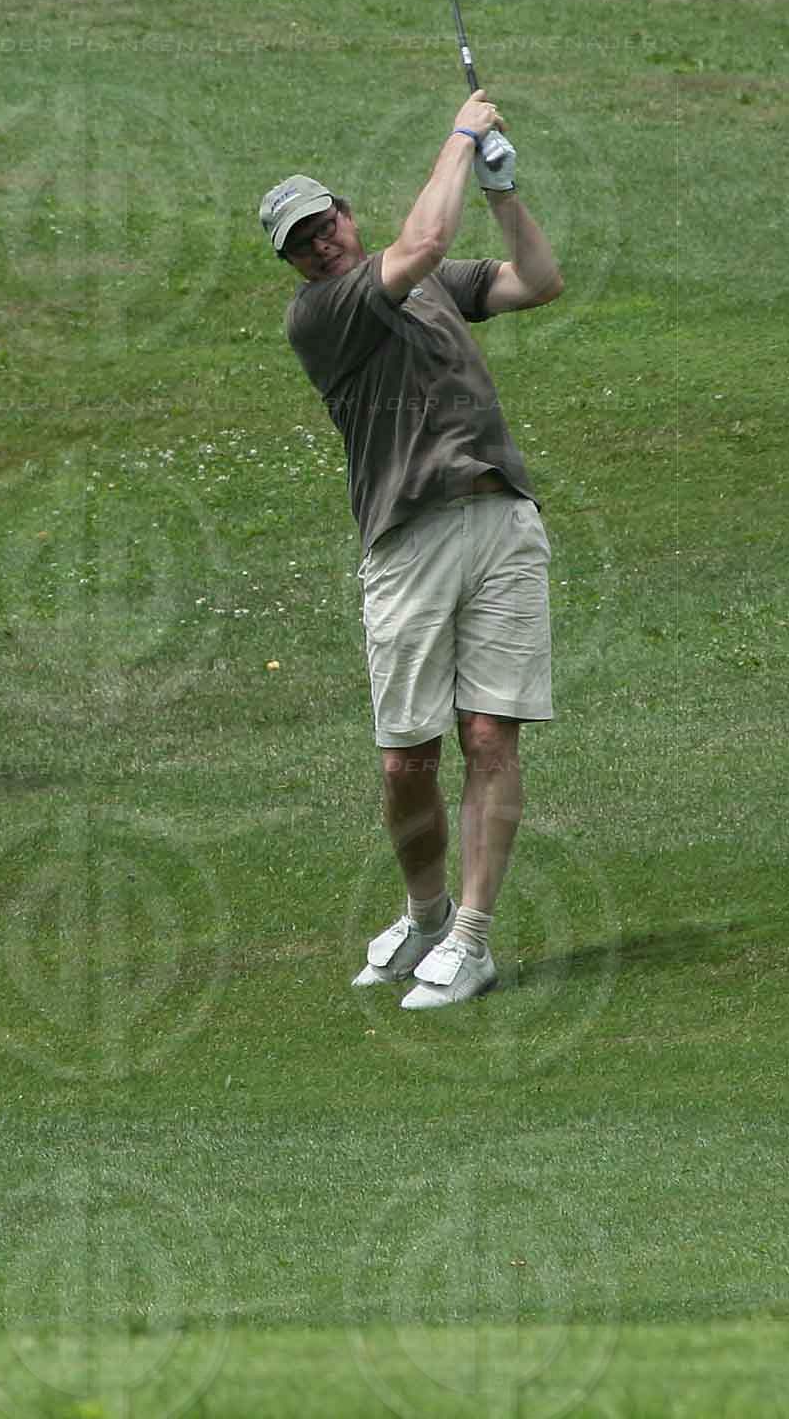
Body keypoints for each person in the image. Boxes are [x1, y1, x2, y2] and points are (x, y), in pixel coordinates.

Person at [260, 89, 565, 1010]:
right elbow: (424, 242)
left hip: (501, 518)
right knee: (406, 757)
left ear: (347, 214)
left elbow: (536, 281)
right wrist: (463, 136)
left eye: (325, 222)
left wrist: (506, 193)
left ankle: (471, 937)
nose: (320, 242)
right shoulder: (323, 316)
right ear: (294, 264)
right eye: (300, 242)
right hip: (408, 540)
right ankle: (426, 913)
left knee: (489, 735)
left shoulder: (426, 280)